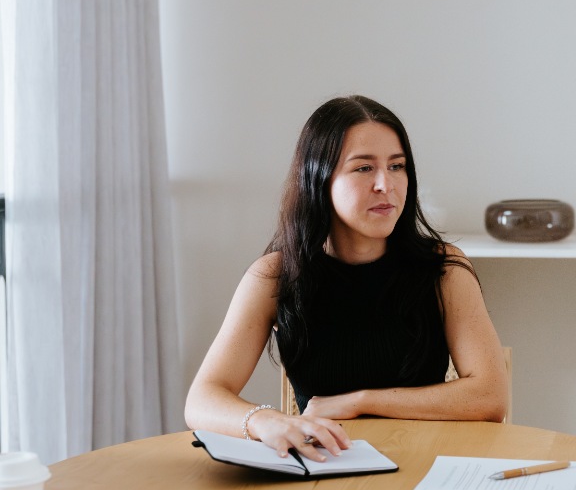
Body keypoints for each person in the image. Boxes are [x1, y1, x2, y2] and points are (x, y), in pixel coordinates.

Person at [185, 95, 508, 463]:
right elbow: (202, 399)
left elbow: (490, 397)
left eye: (397, 166)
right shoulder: (275, 277)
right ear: (319, 178)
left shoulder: (444, 269)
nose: (385, 184)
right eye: (363, 168)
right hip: (325, 468)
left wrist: (360, 401)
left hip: (426, 464)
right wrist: (264, 421)